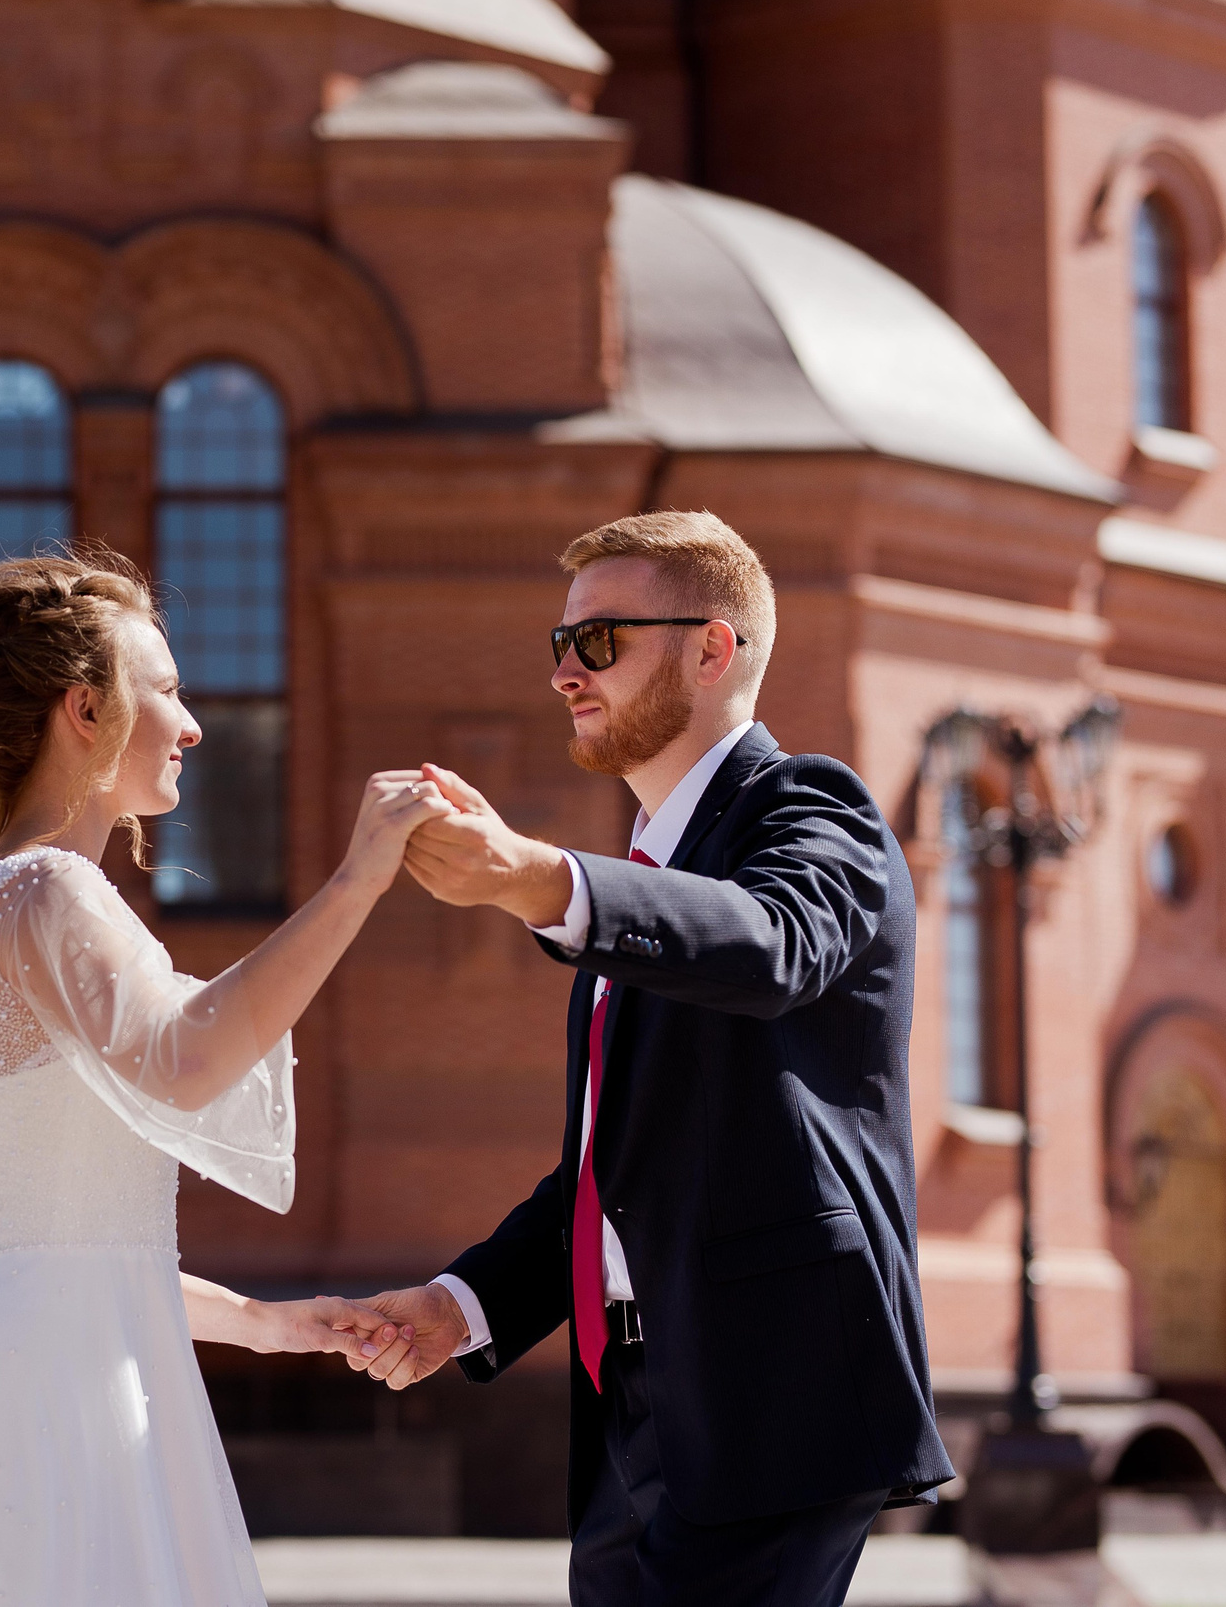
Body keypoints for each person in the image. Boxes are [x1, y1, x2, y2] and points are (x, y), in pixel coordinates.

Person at [0, 547, 448, 1606]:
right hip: (63, 1398)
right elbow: (185, 1060)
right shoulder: (49, 889)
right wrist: (356, 878)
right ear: (83, 709)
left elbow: (51, 1235)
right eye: (163, 688)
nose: (190, 723)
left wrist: (265, 1318)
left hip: (14, 1360)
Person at [356, 512, 954, 1607]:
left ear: (709, 647)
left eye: (598, 641)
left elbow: (773, 942)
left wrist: (539, 879)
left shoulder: (812, 808)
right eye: (559, 643)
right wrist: (464, 1303)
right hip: (634, 1398)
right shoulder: (638, 878)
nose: (563, 674)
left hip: (776, 1390)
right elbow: (608, 1171)